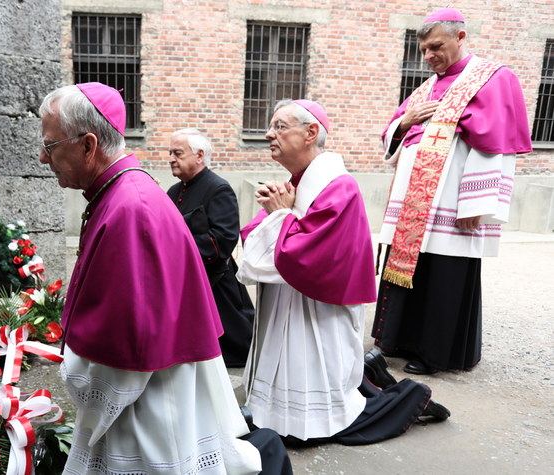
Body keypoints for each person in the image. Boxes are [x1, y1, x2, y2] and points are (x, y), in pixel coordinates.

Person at [38, 82, 292, 474]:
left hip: (147, 402)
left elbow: (125, 352)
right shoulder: (122, 192)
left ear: (88, 146)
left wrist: (79, 376)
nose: (43, 157)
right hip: (154, 388)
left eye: (51, 145)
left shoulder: (128, 209)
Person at [236, 99, 449, 446]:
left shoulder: (338, 186)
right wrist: (276, 211)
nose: (267, 134)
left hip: (318, 309)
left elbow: (306, 256)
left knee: (318, 423)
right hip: (290, 303)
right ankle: (292, 404)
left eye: (279, 126)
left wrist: (280, 215)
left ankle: (410, 398)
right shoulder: (296, 181)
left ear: (311, 132)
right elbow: (259, 247)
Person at [372, 8, 533, 375]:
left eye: (436, 47)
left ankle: (435, 353)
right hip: (413, 202)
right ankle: (396, 340)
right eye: (424, 50)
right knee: (410, 269)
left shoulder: (492, 78)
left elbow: (496, 145)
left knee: (444, 273)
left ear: (461, 37)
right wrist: (404, 123)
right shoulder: (427, 86)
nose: (429, 57)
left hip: (451, 198)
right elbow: (395, 133)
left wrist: (477, 202)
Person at [167, 128, 255, 368]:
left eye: (178, 153)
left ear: (199, 155)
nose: (171, 159)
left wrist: (176, 248)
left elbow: (224, 238)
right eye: (170, 153)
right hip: (185, 278)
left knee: (232, 346)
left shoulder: (218, 188)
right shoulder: (174, 192)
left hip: (215, 281)